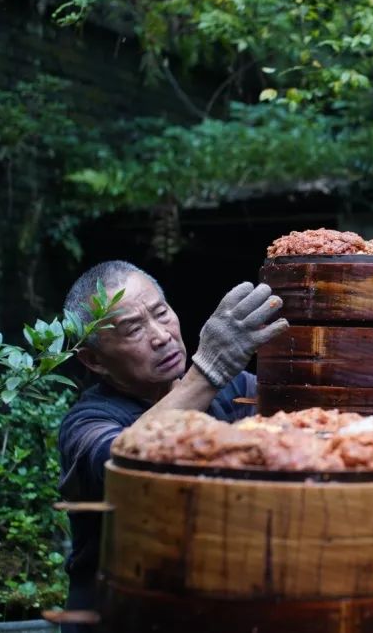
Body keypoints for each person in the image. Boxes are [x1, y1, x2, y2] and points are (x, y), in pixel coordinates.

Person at [56, 260, 288, 631]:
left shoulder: (236, 390)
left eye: (161, 313)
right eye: (133, 328)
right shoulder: (86, 424)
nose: (160, 335)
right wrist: (208, 370)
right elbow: (124, 462)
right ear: (94, 360)